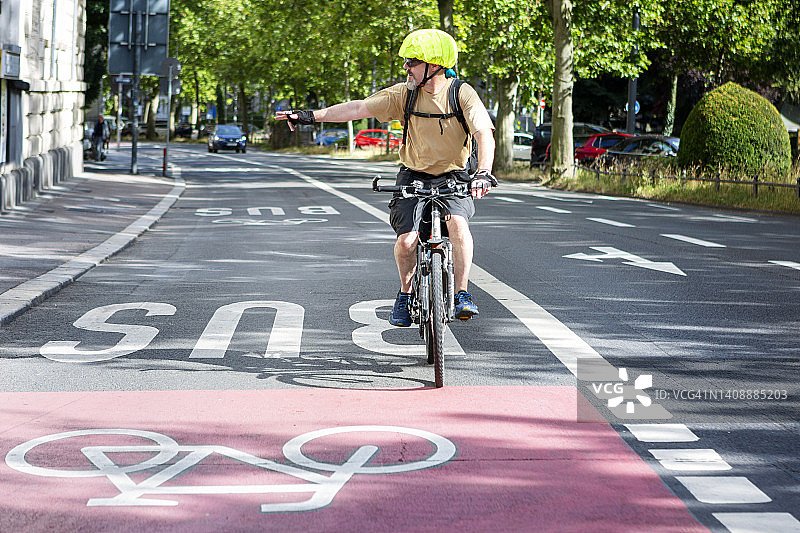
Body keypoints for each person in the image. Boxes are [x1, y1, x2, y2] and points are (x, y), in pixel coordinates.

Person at [276, 29, 495, 326]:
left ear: (435, 66)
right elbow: (356, 108)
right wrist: (308, 116)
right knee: (407, 241)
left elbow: (484, 134)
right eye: (405, 61)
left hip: (454, 175)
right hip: (413, 174)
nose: (405, 67)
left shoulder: (461, 93)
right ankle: (405, 295)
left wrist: (482, 172)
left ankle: (462, 293)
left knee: (457, 225)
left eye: (412, 62)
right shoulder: (403, 95)